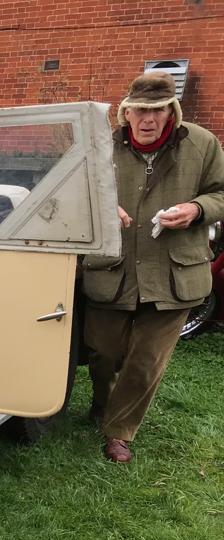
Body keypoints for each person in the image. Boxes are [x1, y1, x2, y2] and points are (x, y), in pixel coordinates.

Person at [83, 71, 224, 463]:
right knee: (104, 353)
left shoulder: (201, 144)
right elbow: (71, 192)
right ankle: (103, 402)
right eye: (140, 110)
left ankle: (119, 432)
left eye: (158, 110)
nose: (148, 119)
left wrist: (198, 209)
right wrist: (99, 209)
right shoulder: (100, 146)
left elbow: (221, 193)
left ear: (171, 112)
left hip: (173, 273)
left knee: (145, 360)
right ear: (125, 112)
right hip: (112, 269)